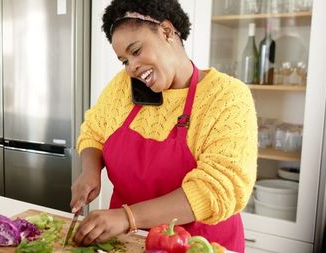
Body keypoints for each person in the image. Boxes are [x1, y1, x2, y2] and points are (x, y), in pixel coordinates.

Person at [70, 0, 257, 252]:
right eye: (124, 60)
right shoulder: (123, 87)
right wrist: (90, 170)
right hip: (126, 242)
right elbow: (94, 131)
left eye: (135, 51)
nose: (132, 68)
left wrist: (128, 218)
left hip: (197, 245)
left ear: (167, 31)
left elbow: (217, 189)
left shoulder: (227, 96)